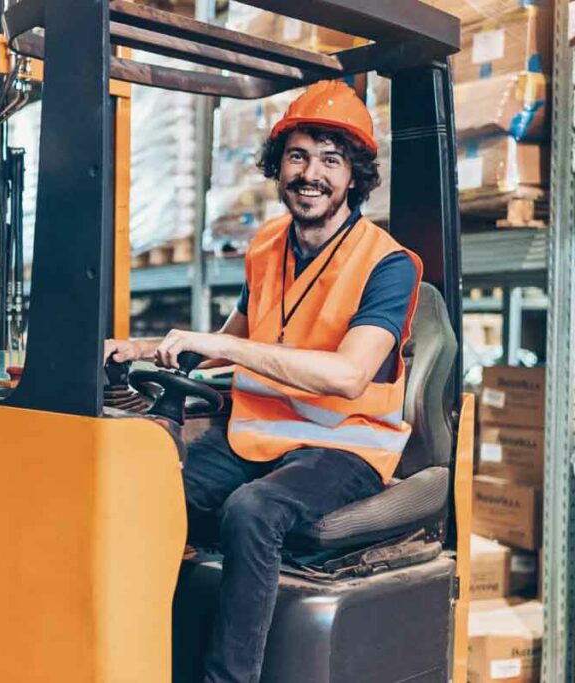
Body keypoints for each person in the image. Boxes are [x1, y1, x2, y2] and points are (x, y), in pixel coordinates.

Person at [105, 80, 422, 683]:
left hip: (345, 446)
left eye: (332, 160)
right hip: (256, 437)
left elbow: (351, 376)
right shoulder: (267, 246)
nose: (312, 173)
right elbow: (234, 338)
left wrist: (223, 345)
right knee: (145, 491)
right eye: (299, 156)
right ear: (279, 168)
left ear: (354, 176)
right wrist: (148, 348)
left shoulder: (387, 264)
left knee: (253, 511)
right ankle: (140, 660)